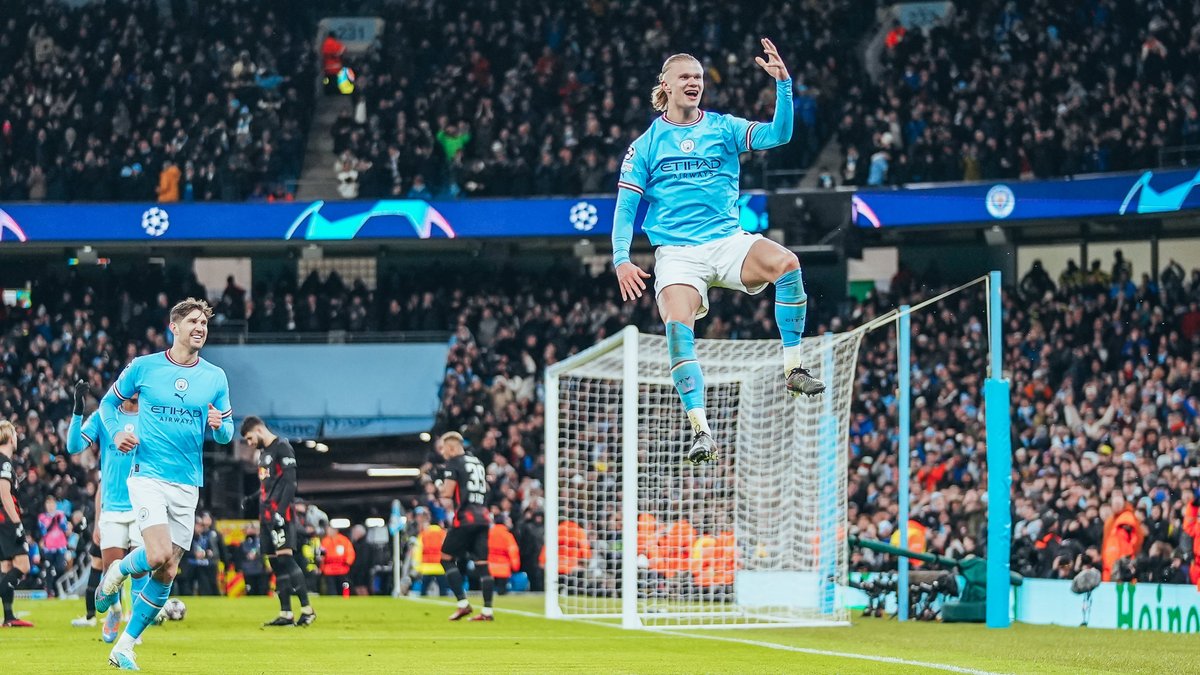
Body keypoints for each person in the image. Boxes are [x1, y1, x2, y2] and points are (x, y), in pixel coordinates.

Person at [611, 40, 824, 465]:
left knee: (788, 264)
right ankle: (701, 430)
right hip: (678, 253)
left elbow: (779, 134)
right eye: (685, 77)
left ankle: (794, 369)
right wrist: (621, 258)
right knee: (677, 326)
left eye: (698, 77)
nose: (694, 82)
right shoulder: (645, 145)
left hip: (727, 241)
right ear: (666, 86)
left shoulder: (723, 128)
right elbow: (626, 207)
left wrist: (784, 85)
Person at [95, 298, 234, 670]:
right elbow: (107, 405)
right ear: (174, 327)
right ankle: (116, 572)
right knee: (156, 555)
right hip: (149, 476)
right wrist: (117, 432)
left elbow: (227, 433)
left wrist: (220, 427)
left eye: (204, 323)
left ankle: (124, 647)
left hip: (188, 483)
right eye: (193, 322)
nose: (200, 328)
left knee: (167, 571)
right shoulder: (144, 367)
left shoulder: (215, 377)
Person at [66, 380, 144, 641]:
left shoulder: (150, 416)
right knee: (112, 573)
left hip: (142, 504)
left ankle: (135, 626)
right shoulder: (104, 415)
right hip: (112, 508)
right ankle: (115, 611)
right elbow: (73, 446)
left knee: (140, 570)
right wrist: (78, 411)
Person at [241, 416, 314, 626]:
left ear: (258, 430)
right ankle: (286, 613)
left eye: (249, 438)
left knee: (285, 559)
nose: (249, 443)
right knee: (275, 563)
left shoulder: (282, 447)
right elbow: (269, 485)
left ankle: (307, 610)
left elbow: (290, 484)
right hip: (265, 516)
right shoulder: (264, 454)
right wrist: (252, 498)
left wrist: (280, 512)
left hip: (281, 514)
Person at [437, 432, 495, 621]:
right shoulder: (477, 462)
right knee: (482, 564)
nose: (442, 453)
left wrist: (438, 485)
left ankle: (463, 604)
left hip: (465, 518)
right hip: (483, 517)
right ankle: (487, 611)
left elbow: (447, 493)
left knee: (446, 558)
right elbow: (486, 489)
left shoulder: (454, 462)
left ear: (451, 447)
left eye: (443, 449)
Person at [0, 420, 33, 627]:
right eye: (14, 433)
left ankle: (9, 617)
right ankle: (9, 617)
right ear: (10, 437)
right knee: (23, 565)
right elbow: (4, 494)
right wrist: (17, 524)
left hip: (1, 522)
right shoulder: (4, 462)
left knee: (6, 567)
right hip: (6, 521)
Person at [318, 524, 354, 596]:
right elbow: (322, 556)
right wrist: (321, 568)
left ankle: (345, 598)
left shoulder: (344, 540)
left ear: (335, 530)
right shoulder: (325, 541)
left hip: (342, 569)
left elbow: (350, 552)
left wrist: (348, 562)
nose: (328, 531)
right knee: (331, 589)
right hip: (329, 570)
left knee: (343, 588)